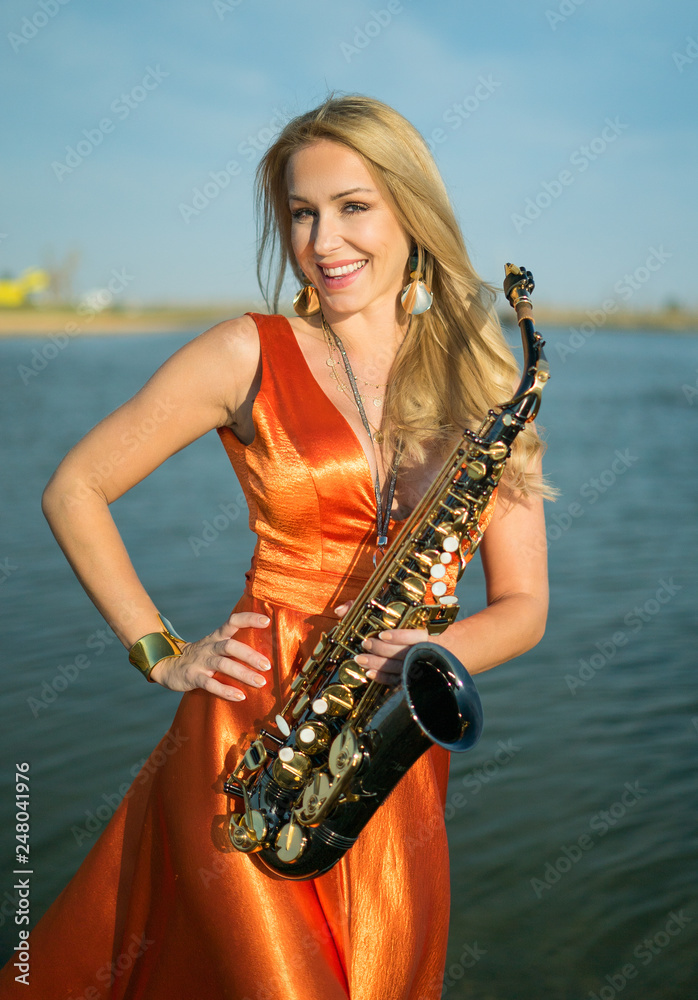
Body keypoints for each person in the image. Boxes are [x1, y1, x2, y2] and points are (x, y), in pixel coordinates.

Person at [0, 94, 549, 999]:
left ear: (412, 210)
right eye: (302, 213)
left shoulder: (489, 382)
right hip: (247, 736)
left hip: (392, 745)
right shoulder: (244, 351)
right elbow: (75, 488)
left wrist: (435, 652)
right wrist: (161, 650)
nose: (324, 240)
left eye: (353, 206)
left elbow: (525, 605)